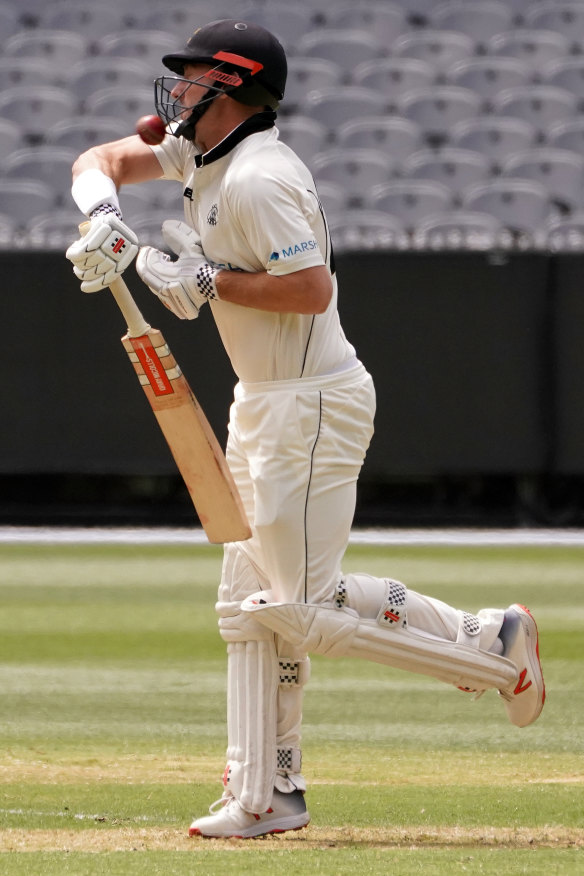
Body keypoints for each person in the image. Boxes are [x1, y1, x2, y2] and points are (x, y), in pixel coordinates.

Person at [65, 18, 545, 839]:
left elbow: (312, 289)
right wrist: (107, 217)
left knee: (302, 610)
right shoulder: (199, 153)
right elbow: (98, 162)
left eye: (191, 79)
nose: (175, 92)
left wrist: (209, 280)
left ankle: (492, 650)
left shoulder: (260, 177)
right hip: (263, 400)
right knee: (245, 607)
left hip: (313, 401)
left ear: (232, 90)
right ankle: (265, 795)